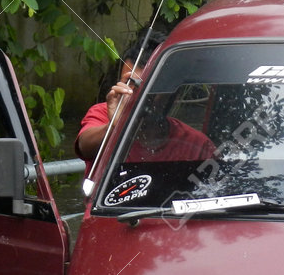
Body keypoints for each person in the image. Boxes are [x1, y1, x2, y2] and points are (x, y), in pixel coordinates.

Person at [75, 31, 214, 176]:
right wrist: (116, 126)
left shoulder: (196, 146)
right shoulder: (105, 113)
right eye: (130, 84)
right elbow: (84, 147)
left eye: (150, 88)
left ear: (173, 91)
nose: (138, 96)